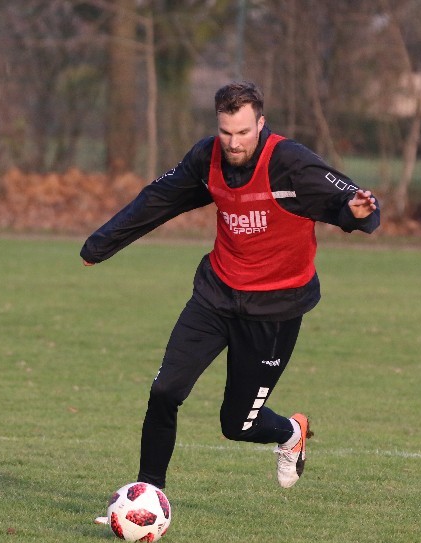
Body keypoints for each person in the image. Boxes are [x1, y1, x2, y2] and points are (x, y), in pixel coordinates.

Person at [81, 81, 379, 492]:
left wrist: (357, 212)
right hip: (216, 296)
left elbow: (343, 201)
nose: (233, 143)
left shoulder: (290, 163)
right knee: (165, 390)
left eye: (242, 132)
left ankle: (290, 433)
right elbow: (159, 199)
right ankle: (148, 494)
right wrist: (101, 243)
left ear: (261, 123)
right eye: (226, 132)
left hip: (274, 311)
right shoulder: (207, 158)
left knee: (237, 424)